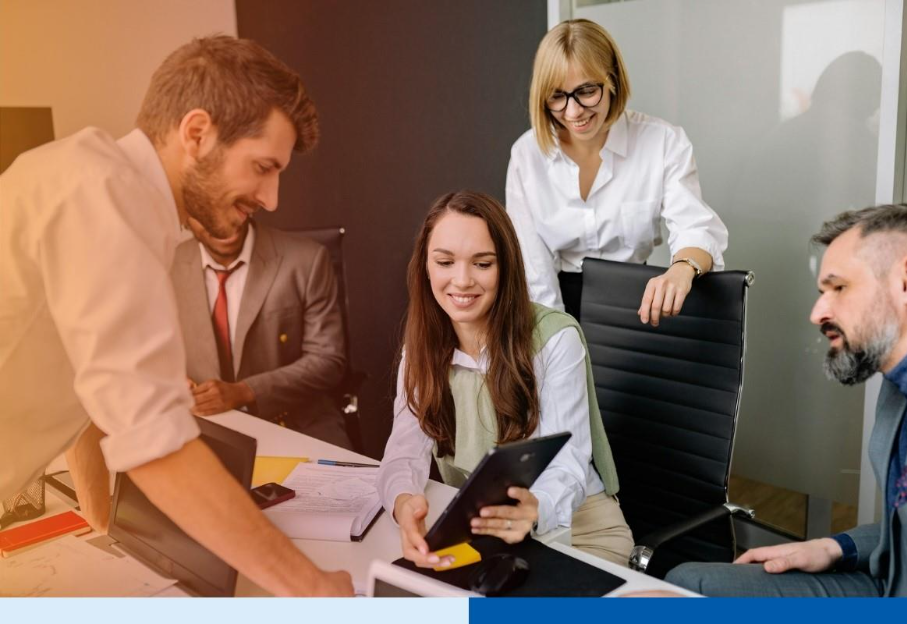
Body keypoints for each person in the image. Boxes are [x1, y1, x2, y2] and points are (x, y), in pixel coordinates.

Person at [0, 35, 352, 596]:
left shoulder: (91, 178)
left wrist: (106, 530)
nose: (271, 198)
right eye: (263, 167)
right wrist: (314, 589)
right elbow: (155, 445)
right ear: (197, 133)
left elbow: (88, 394)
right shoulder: (106, 198)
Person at [666, 204, 907, 597]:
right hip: (890, 579)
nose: (817, 313)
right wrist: (836, 546)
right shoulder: (898, 384)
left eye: (839, 288)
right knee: (687, 584)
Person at [376, 190, 633, 568]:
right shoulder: (421, 348)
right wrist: (403, 503)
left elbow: (568, 465)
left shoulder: (554, 338)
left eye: (482, 264)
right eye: (445, 262)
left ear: (505, 268)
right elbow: (402, 452)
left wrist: (534, 509)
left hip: (580, 529)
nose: (462, 280)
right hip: (487, 532)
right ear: (426, 267)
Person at [505, 19, 728, 324]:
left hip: (640, 306)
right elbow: (534, 269)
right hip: (555, 303)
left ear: (612, 81)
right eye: (557, 96)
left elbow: (695, 227)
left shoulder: (662, 142)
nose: (573, 111)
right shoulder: (527, 155)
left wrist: (682, 269)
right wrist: (556, 333)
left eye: (586, 91)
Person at [171, 216, 352, 449]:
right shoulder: (165, 265)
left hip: (299, 426)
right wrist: (173, 380)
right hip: (204, 433)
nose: (223, 222)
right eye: (208, 214)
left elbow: (327, 361)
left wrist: (246, 391)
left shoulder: (308, 259)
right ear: (186, 217)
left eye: (230, 207)